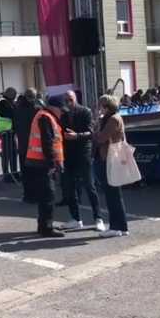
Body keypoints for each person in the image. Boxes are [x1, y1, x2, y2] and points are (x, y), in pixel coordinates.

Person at [59, 90, 106, 232]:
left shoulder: (85, 111)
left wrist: (77, 136)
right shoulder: (63, 115)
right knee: (70, 188)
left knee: (89, 186)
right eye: (66, 100)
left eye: (70, 99)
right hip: (68, 154)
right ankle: (76, 219)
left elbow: (91, 133)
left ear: (75, 99)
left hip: (83, 153)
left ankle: (98, 218)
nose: (68, 103)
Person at [24, 95, 66, 238]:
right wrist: (52, 163)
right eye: (61, 109)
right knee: (48, 196)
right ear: (53, 107)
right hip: (42, 163)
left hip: (39, 162)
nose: (62, 112)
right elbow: (47, 142)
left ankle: (43, 225)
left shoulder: (45, 116)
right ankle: (46, 228)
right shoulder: (45, 117)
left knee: (45, 196)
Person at [93, 94, 130, 238]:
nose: (99, 109)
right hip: (110, 158)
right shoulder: (112, 118)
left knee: (112, 194)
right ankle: (122, 226)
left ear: (106, 107)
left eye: (100, 106)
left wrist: (95, 129)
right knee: (114, 194)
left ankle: (115, 227)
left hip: (109, 159)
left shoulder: (113, 119)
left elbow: (101, 138)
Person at [13, 88, 40, 204]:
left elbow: (15, 126)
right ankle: (35, 194)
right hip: (34, 146)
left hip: (23, 146)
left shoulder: (18, 109)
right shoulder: (36, 109)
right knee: (35, 172)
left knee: (25, 172)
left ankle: (28, 195)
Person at [0, 87, 18, 182]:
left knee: (12, 153)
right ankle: (7, 174)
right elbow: (11, 113)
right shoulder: (3, 103)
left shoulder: (6, 102)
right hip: (6, 132)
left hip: (9, 132)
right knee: (7, 155)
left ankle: (13, 173)